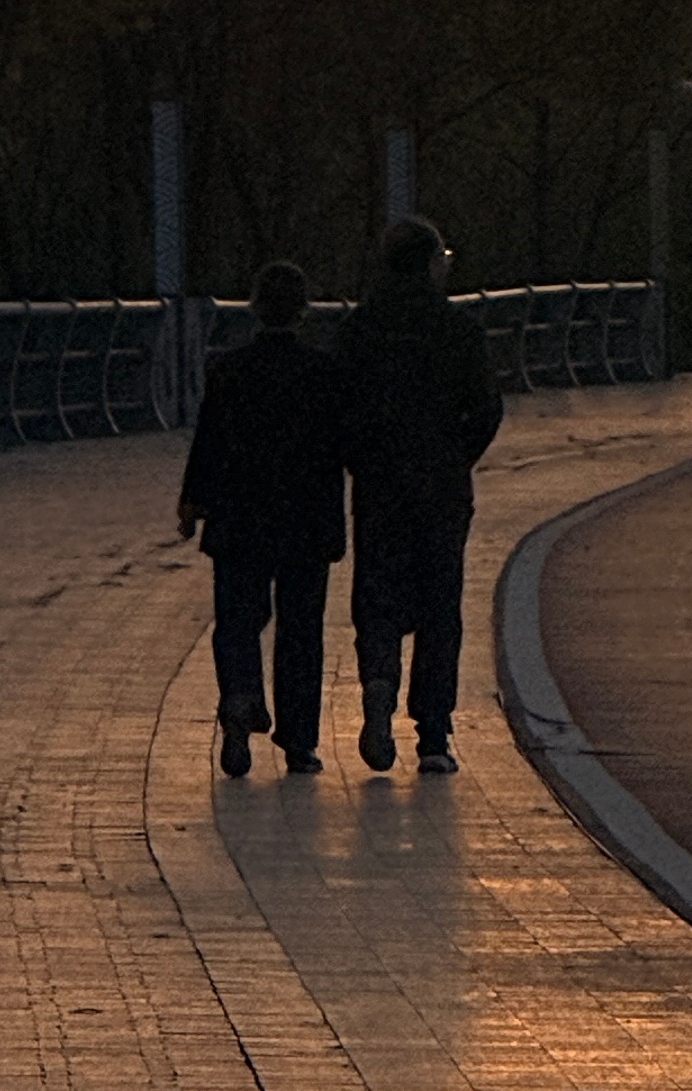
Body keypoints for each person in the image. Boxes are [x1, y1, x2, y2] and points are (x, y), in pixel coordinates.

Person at [336, 213, 502, 775]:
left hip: (379, 485)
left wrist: (362, 460)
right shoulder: (458, 331)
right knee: (439, 603)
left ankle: (379, 686)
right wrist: (457, 456)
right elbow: (485, 409)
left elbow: (341, 410)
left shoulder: (359, 330)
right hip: (441, 485)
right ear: (430, 264)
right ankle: (432, 733)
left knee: (378, 594)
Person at [175, 259, 346, 778]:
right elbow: (338, 449)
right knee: (300, 629)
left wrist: (192, 503)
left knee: (237, 621)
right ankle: (299, 742)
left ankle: (240, 697)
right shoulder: (322, 374)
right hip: (304, 521)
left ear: (253, 308)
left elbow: (208, 444)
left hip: (238, 517)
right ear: (304, 310)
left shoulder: (228, 371)